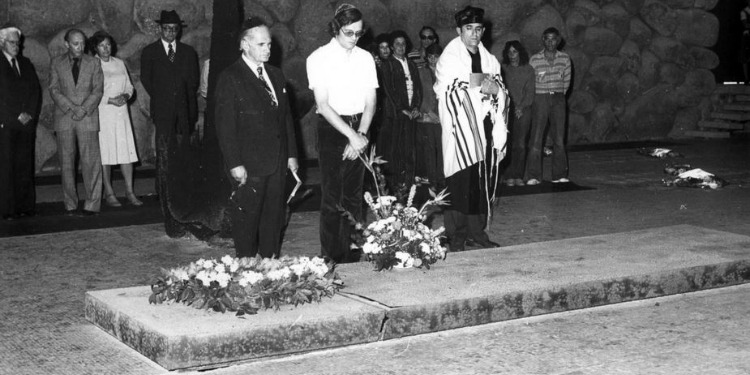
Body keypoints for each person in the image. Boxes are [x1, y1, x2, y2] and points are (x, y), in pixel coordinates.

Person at [215, 18, 298, 259]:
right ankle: (246, 268)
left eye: (269, 44)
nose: (268, 49)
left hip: (277, 160)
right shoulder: (230, 77)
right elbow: (225, 126)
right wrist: (234, 163)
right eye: (261, 44)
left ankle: (269, 265)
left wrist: (291, 154)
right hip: (249, 164)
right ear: (244, 45)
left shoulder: (276, 75)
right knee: (247, 220)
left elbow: (286, 119)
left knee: (273, 217)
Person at [306, 3, 378, 264]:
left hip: (360, 126)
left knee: (354, 195)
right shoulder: (318, 58)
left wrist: (360, 134)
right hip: (332, 127)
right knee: (332, 196)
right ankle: (331, 256)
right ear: (335, 28)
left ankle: (350, 251)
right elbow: (323, 106)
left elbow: (371, 103)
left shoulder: (366, 58)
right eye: (349, 33)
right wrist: (351, 136)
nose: (354, 39)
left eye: (359, 33)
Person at [434, 6, 508, 252]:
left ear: (483, 31)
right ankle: (456, 234)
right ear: (459, 30)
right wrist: (482, 84)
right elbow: (449, 88)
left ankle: (477, 231)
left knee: (480, 181)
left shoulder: (490, 59)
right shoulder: (450, 57)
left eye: (478, 29)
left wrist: (495, 90)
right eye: (469, 29)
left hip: (483, 127)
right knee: (460, 180)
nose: (474, 34)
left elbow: (498, 87)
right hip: (461, 130)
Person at [140, 10, 200, 236]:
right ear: (160, 29)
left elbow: (193, 81)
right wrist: (165, 97)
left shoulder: (187, 52)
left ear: (179, 30)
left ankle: (182, 189)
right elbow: (147, 80)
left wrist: (181, 100)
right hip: (163, 110)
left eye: (174, 29)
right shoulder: (150, 52)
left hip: (184, 110)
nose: (170, 32)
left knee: (183, 148)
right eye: (166, 28)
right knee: (164, 148)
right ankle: (163, 191)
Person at [49, 29, 104, 216]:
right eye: (75, 44)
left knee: (91, 163)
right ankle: (70, 204)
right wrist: (72, 107)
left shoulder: (94, 63)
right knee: (66, 164)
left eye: (82, 43)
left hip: (87, 118)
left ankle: (92, 204)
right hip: (65, 118)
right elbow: (54, 89)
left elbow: (98, 90)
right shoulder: (56, 63)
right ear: (66, 44)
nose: (80, 47)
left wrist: (83, 108)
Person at [90, 31, 142, 208]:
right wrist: (110, 100)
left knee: (125, 152)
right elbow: (90, 92)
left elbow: (129, 85)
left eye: (108, 44)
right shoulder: (92, 65)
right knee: (106, 153)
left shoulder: (119, 63)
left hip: (121, 113)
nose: (106, 48)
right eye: (102, 45)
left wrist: (126, 96)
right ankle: (109, 193)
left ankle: (129, 191)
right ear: (95, 48)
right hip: (104, 112)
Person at [0, 24, 40, 220]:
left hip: (25, 124)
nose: (16, 46)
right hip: (6, 123)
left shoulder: (26, 63)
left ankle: (25, 206)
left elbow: (35, 92)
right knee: (6, 166)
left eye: (18, 42)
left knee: (24, 165)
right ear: (2, 42)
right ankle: (7, 208)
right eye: (12, 42)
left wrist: (29, 114)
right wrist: (15, 115)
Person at [527, 27, 571, 185]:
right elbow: (530, 82)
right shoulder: (534, 59)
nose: (550, 42)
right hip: (540, 99)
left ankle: (559, 175)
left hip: (558, 99)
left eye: (553, 39)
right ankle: (533, 176)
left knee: (559, 138)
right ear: (543, 40)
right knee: (537, 137)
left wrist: (558, 95)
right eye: (547, 39)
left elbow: (566, 81)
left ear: (558, 40)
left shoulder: (565, 59)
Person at [379, 30, 422, 192]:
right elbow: (389, 90)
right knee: (394, 150)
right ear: (391, 47)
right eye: (397, 44)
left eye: (403, 44)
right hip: (396, 115)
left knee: (410, 149)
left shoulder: (411, 64)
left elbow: (417, 88)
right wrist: (402, 109)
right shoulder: (388, 64)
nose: (401, 47)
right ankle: (395, 186)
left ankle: (409, 183)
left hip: (412, 114)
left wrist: (416, 107)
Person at [501, 40, 535, 187]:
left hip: (524, 111)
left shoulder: (528, 70)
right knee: (508, 144)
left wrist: (521, 107)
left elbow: (530, 92)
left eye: (515, 51)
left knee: (520, 144)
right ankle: (508, 175)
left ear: (520, 52)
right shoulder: (503, 69)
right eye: (509, 52)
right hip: (507, 110)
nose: (512, 55)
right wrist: (511, 106)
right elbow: (502, 89)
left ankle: (518, 175)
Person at [415, 43, 444, 189]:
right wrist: (429, 113)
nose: (433, 60)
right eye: (430, 56)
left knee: (442, 148)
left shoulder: (445, 72)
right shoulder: (422, 72)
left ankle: (442, 180)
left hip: (443, 116)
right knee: (430, 149)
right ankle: (433, 182)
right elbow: (420, 95)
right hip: (427, 116)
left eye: (436, 56)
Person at [741, 0, 750, 85]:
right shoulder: (744, 12)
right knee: (745, 58)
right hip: (747, 37)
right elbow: (746, 25)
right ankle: (746, 78)